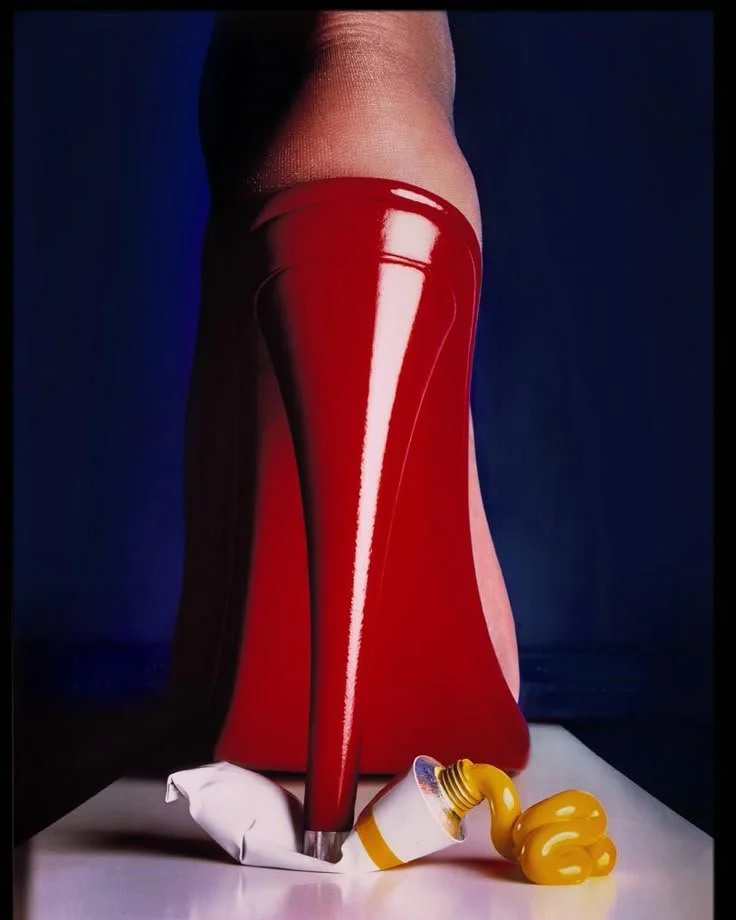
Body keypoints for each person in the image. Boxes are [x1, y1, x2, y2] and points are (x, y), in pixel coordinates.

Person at [169, 11, 528, 859]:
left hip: (276, 213)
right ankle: (374, 65)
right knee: (331, 50)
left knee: (268, 75)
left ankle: (344, 61)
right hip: (388, 154)